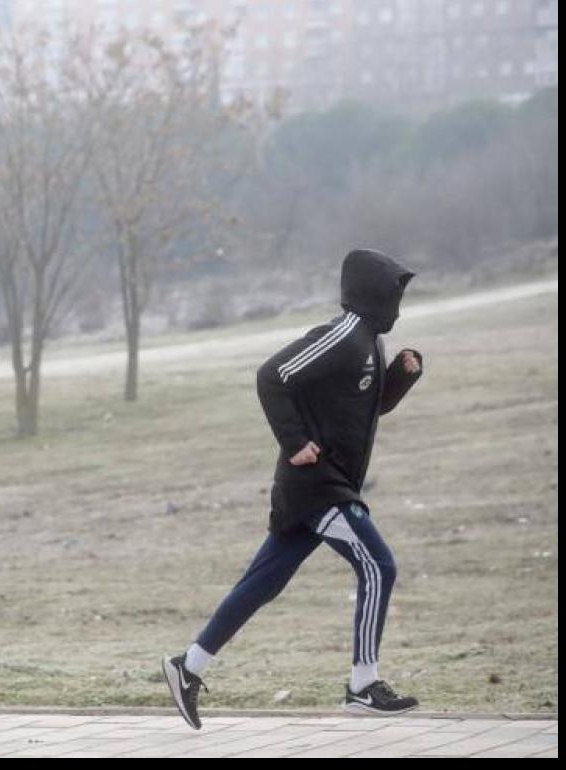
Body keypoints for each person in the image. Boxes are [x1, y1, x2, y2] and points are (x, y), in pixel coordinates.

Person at [162, 249, 425, 730]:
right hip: (317, 483)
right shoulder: (342, 336)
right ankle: (363, 685)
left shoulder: (370, 342)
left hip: (329, 483)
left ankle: (188, 666)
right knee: (379, 565)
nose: (398, 303)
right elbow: (272, 375)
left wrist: (401, 380)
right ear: (373, 292)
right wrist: (295, 440)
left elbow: (365, 408)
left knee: (263, 582)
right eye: (395, 292)